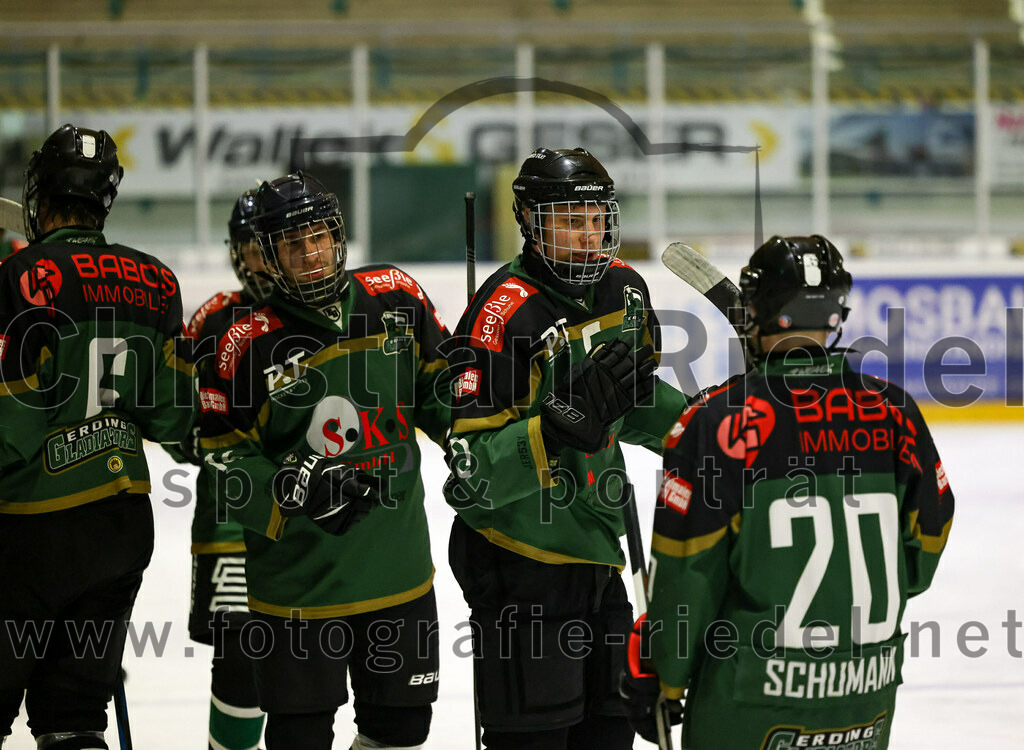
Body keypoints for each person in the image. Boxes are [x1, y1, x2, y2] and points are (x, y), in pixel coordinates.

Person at [621, 235, 955, 749]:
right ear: (835, 313)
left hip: (751, 699)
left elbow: (689, 569)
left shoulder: (720, 424)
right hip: (866, 694)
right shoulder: (894, 411)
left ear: (754, 310)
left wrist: (664, 676)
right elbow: (928, 537)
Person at [444, 147, 690, 750]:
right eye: (567, 219)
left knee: (609, 733)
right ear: (530, 221)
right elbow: (470, 475)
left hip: (599, 549)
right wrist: (551, 432)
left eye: (595, 218)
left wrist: (704, 426)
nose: (587, 235)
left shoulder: (626, 292)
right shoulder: (502, 314)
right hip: (518, 557)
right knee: (536, 736)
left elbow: (631, 400)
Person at [198, 172, 450, 750]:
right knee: (300, 736)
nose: (310, 254)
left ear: (338, 235)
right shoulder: (243, 345)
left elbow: (441, 395)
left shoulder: (396, 296)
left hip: (398, 570)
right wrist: (287, 491)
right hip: (297, 586)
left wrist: (472, 430)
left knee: (403, 729)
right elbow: (221, 459)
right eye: (292, 244)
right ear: (269, 257)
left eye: (318, 237)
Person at [0, 124, 194, 749]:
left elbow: (10, 432)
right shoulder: (154, 280)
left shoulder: (19, 277)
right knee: (75, 716)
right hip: (120, 531)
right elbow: (175, 418)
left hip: (28, 533)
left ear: (41, 194)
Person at [184, 190, 271, 750]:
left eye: (269, 246)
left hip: (314, 526)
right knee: (241, 658)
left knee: (308, 659)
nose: (260, 260)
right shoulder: (213, 318)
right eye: (250, 248)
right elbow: (178, 422)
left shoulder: (333, 314)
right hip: (230, 527)